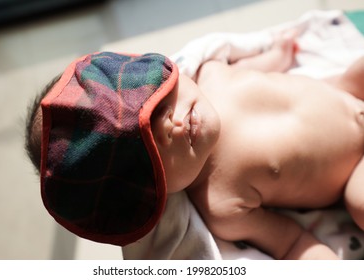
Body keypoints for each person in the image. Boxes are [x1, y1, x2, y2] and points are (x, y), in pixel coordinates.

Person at [25, 31, 364, 259]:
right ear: (156, 193)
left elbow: (268, 66)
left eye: (157, 102)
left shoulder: (213, 72)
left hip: (348, 89)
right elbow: (291, 242)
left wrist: (279, 53)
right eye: (151, 149)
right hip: (355, 168)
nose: (170, 126)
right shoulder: (222, 204)